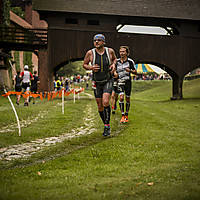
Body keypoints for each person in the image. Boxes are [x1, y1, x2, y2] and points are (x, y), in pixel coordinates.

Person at [83, 33, 117, 136]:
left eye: (98, 40)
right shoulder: (90, 53)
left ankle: (106, 126)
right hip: (96, 82)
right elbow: (84, 64)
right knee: (100, 106)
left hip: (107, 80)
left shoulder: (109, 51)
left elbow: (115, 59)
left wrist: (114, 65)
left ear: (103, 42)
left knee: (106, 101)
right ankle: (106, 124)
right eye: (94, 40)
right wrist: (91, 68)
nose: (96, 42)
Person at [115, 46, 137, 123]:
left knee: (127, 98)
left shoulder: (130, 61)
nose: (122, 53)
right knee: (121, 97)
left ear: (127, 53)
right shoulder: (116, 61)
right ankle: (123, 115)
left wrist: (130, 70)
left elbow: (135, 72)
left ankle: (127, 115)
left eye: (123, 51)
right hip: (120, 81)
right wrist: (115, 74)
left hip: (128, 82)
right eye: (120, 51)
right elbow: (114, 70)